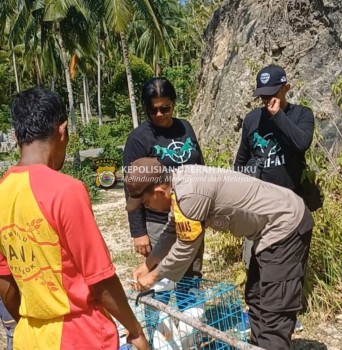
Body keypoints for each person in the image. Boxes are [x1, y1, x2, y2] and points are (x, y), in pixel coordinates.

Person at [0, 87, 149, 350]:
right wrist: (134, 329)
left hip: (29, 337)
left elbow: (5, 282)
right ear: (63, 130)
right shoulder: (65, 190)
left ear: (16, 136)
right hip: (80, 336)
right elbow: (100, 278)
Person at [124, 157, 314, 350]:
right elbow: (173, 231)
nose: (148, 208)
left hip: (285, 225)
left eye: (147, 203)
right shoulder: (178, 186)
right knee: (256, 298)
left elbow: (185, 247)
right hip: (267, 232)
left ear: (158, 191)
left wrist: (154, 276)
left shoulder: (190, 194)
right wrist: (148, 264)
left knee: (275, 309)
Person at [234, 64, 315, 333]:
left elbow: (301, 142)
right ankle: (256, 314)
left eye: (273, 93)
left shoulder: (301, 114)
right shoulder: (251, 120)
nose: (267, 99)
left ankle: (285, 317)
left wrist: (278, 115)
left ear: (286, 88)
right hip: (258, 209)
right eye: (262, 95)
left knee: (289, 269)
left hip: (292, 210)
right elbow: (240, 163)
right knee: (255, 263)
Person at [123, 77, 204, 277]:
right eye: (153, 110)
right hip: (158, 221)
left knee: (191, 274)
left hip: (191, 214)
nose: (160, 114)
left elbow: (200, 166)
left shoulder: (185, 127)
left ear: (174, 103)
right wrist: (139, 232)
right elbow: (131, 188)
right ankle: (159, 309)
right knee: (161, 276)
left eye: (165, 108)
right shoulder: (138, 139)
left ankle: (192, 309)